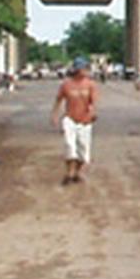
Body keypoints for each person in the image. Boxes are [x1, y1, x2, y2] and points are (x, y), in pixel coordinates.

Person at [50, 57, 98, 185]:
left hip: (85, 120)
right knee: (69, 146)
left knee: (84, 151)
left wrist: (92, 113)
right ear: (77, 70)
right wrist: (54, 115)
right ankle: (69, 173)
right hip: (70, 119)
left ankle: (78, 172)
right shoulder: (66, 84)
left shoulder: (90, 85)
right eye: (84, 68)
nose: (86, 71)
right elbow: (58, 100)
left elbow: (93, 102)